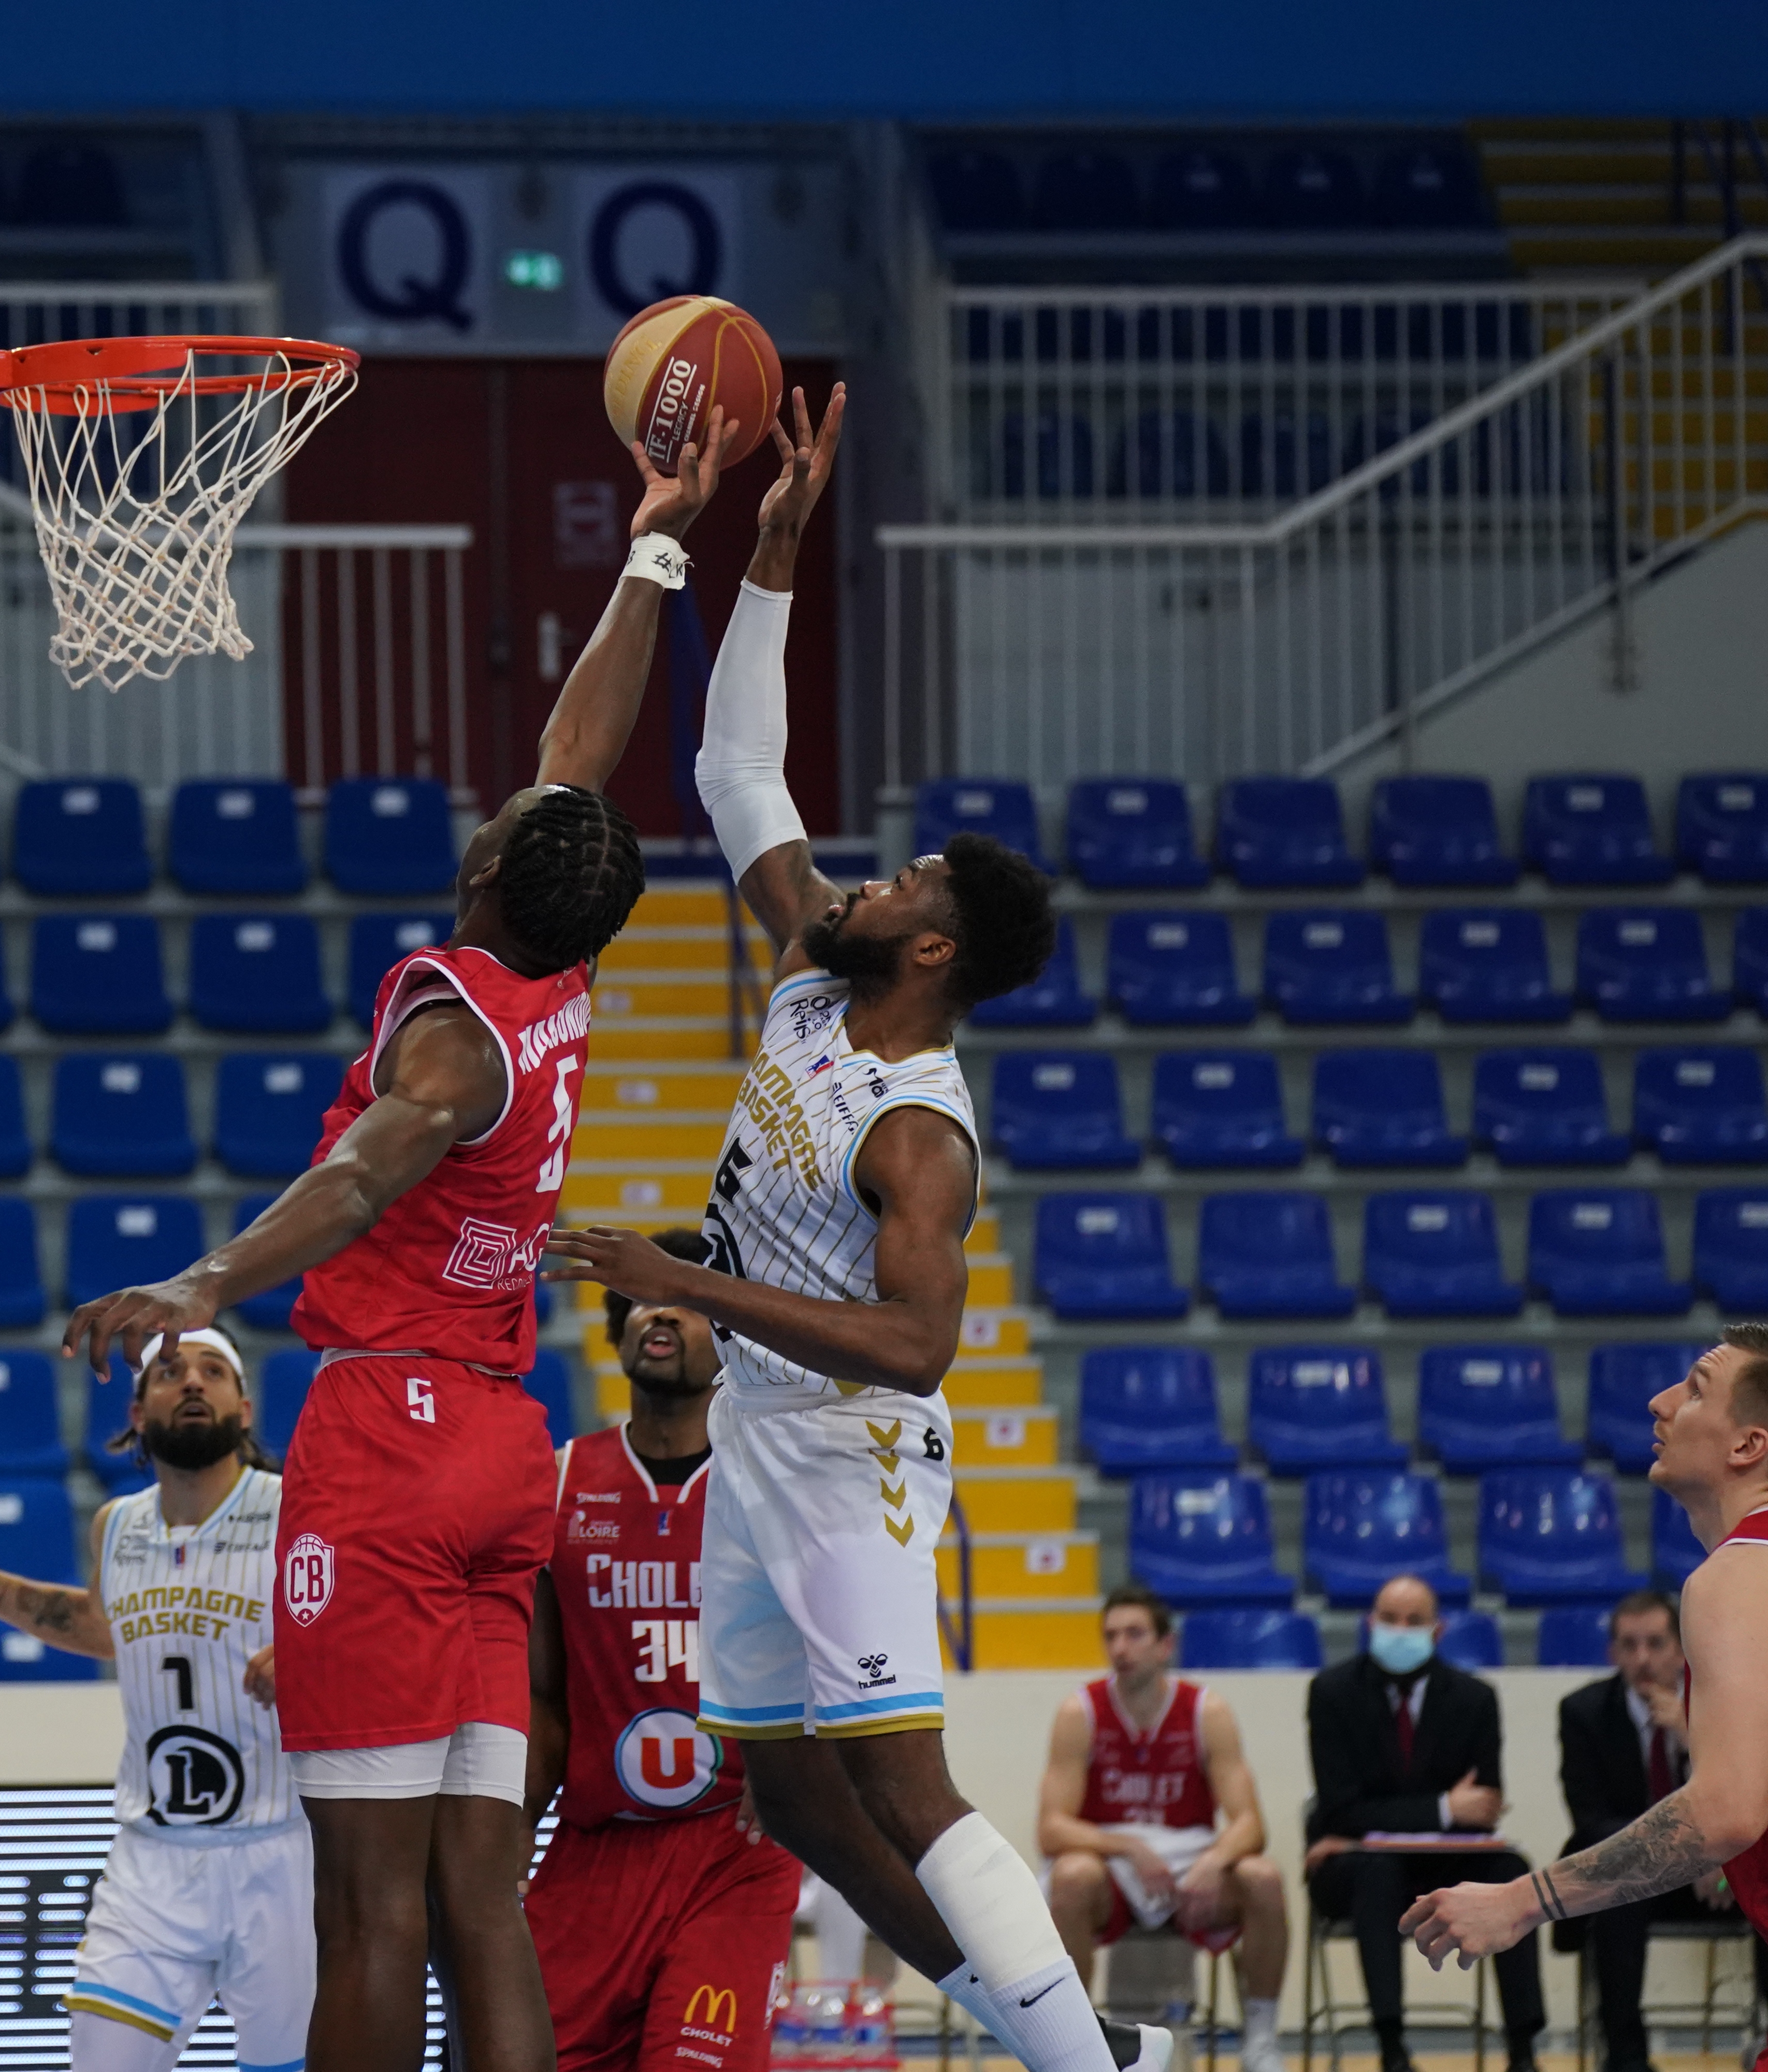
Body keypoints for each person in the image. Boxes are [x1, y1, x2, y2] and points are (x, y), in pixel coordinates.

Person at [59, 420, 724, 2072]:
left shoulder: (454, 1023)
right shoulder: (565, 972)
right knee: (476, 1903)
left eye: (500, 816)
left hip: (393, 1433)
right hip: (506, 1446)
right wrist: (656, 547)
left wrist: (198, 1287)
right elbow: (584, 752)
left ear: (485, 866)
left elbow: (361, 1175)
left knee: (366, 1904)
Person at [544, 386, 1165, 2072]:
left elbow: (918, 1343)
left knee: (902, 1779)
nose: (866, 883)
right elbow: (735, 763)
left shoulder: (918, 1135)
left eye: (904, 889)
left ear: (937, 955)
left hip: (854, 1455)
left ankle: (1092, 2071)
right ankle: (1086, 2037)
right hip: (758, 1437)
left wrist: (686, 1278)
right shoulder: (822, 981)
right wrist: (777, 545)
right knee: (798, 1796)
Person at [1409, 1323, 1768, 2068]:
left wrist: (1524, 1900)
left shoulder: (1747, 1572)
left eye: (1694, 1389)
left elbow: (1721, 1815)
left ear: (1748, 1446)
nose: (1659, 1402)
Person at [0, 1330, 307, 2072]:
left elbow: (390, 1616)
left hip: (286, 1850)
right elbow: (96, 1625)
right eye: (171, 1374)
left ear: (245, 1405)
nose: (194, 1384)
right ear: (139, 1413)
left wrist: (319, 1655)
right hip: (152, 1858)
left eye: (214, 1372)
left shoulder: (300, 1509)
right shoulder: (119, 1526)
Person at [524, 1230, 804, 2072]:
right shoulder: (561, 1480)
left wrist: (795, 1762)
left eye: (687, 1301)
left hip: (732, 1846)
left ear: (729, 1336)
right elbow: (542, 1699)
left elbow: (838, 1649)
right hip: (593, 1846)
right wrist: (502, 1844)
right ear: (615, 1333)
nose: (659, 1315)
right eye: (643, 1301)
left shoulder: (776, 1483)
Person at [1034, 1587, 1288, 2072]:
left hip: (1191, 1866)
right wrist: (1128, 1847)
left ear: (1165, 1646)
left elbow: (1251, 1822)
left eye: (1134, 1634)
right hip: (1113, 1868)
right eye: (1111, 1636)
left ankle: (1260, 2040)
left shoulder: (1205, 1711)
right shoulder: (1080, 1712)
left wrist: (1214, 1861)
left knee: (1264, 1877)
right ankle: (1074, 2045)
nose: (1121, 1648)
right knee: (1070, 1877)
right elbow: (1052, 1828)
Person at [1302, 1574, 1543, 2071]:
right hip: (1357, 1870)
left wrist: (1386, 1821)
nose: (1401, 1630)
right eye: (1390, 1619)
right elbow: (1340, 1809)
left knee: (1512, 1869)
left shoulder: (1475, 1698)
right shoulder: (1332, 1693)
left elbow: (1484, 1809)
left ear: (1438, 1630)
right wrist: (1443, 1809)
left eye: (1415, 1621)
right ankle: (1391, 2047)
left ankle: (1523, 2048)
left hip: (1443, 1860)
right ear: (1370, 1624)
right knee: (1378, 1874)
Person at [1553, 1586, 1768, 2072]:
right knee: (1620, 1891)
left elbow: (1760, 1799)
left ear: (1683, 1649)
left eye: (1656, 1644)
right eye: (1629, 1645)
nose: (1643, 1659)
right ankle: (1626, 2057)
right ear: (1612, 1653)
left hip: (1726, 1877)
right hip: (1644, 1874)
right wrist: (1687, 1852)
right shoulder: (1583, 1713)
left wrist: (1692, 1736)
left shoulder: (1726, 1705)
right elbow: (1592, 1820)